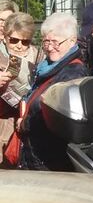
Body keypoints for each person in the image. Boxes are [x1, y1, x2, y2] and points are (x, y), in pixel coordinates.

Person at [17, 13, 87, 170]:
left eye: (56, 42)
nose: (49, 47)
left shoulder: (73, 72)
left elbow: (56, 113)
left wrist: (25, 123)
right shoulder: (47, 67)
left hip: (50, 157)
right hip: (36, 151)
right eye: (46, 42)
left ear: (72, 41)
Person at [0, 12, 39, 165]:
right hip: (3, 122)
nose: (19, 45)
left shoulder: (39, 56)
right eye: (14, 40)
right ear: (5, 36)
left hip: (26, 122)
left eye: (25, 41)